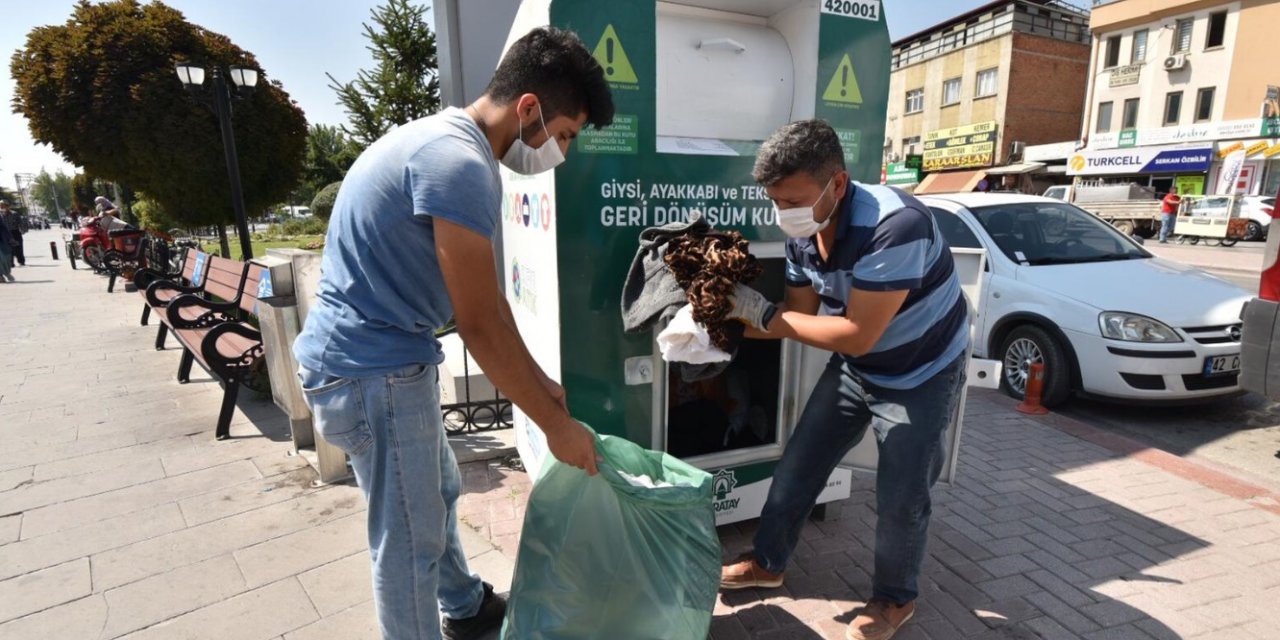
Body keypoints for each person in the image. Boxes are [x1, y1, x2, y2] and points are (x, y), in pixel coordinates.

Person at [292, 27, 613, 640]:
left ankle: (465, 605)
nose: (562, 153)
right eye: (564, 134)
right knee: (408, 540)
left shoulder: (447, 142)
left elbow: (487, 295)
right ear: (528, 109)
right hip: (373, 372)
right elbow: (478, 325)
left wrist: (542, 383)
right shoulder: (460, 162)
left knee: (432, 494)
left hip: (374, 363)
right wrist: (558, 428)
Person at [720, 120, 969, 640]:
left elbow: (855, 333)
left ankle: (895, 599)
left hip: (922, 371)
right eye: (774, 201)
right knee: (800, 462)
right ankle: (768, 563)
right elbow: (800, 316)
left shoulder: (895, 226)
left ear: (837, 183)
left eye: (793, 199)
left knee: (902, 491)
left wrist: (762, 317)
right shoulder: (804, 233)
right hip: (859, 367)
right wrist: (723, 323)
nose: (782, 212)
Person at [0, 201, 25, 267]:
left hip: (15, 232)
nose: (2, 207)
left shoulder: (14, 214)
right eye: (1, 206)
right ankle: (11, 263)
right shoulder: (0, 215)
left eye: (3, 205)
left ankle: (21, 261)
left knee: (18, 248)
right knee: (8, 249)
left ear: (8, 206)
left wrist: (22, 230)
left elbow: (20, 222)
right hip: (5, 234)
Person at [0, 212, 15, 282]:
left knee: (6, 257)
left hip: (2, 240)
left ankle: (7, 273)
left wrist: (10, 237)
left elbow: (3, 227)